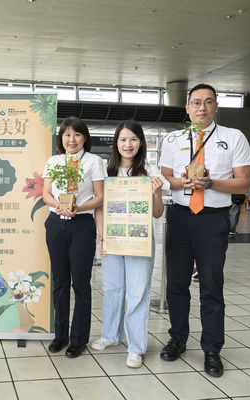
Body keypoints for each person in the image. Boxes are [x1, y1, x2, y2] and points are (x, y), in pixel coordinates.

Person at [159, 83, 250, 378]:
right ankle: (177, 338)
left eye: (208, 102)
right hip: (179, 216)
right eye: (196, 102)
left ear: (215, 107)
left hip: (213, 219)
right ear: (187, 108)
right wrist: (181, 182)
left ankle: (212, 348)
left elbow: (243, 183)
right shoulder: (172, 139)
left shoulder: (233, 137)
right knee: (176, 283)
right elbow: (163, 177)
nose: (202, 108)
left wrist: (211, 184)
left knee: (211, 285)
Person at [91, 120, 165, 368]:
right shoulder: (106, 171)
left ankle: (136, 347)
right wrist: (102, 236)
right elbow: (98, 207)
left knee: (137, 291)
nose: (128, 144)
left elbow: (157, 213)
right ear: (116, 143)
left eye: (133, 139)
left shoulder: (150, 172)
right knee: (112, 288)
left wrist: (156, 193)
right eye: (123, 139)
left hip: (139, 241)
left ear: (141, 142)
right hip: (111, 240)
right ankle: (111, 335)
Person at [42, 116, 106, 358]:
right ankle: (61, 335)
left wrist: (79, 207)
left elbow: (100, 196)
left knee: (80, 283)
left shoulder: (94, 161)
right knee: (59, 282)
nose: (72, 139)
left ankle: (79, 339)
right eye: (67, 135)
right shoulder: (54, 161)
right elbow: (46, 193)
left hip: (82, 224)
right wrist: (58, 205)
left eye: (77, 135)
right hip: (56, 223)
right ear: (61, 138)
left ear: (85, 138)